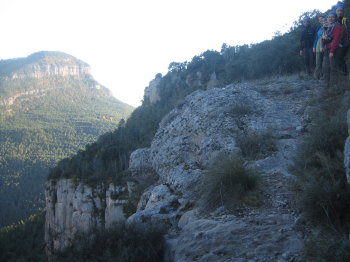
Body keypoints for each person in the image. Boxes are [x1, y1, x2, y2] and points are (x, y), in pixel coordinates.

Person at [322, 11, 344, 87]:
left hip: (334, 50)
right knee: (325, 68)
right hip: (327, 50)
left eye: (332, 17)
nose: (330, 18)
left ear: (335, 18)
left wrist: (332, 51)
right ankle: (326, 85)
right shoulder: (328, 28)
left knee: (333, 68)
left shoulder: (337, 27)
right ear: (327, 19)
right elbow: (324, 41)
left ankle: (333, 87)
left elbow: (336, 40)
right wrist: (323, 39)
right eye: (329, 17)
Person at [313, 15, 326, 79]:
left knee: (324, 60)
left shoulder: (327, 25)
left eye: (322, 18)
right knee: (317, 60)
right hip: (318, 44)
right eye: (319, 19)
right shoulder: (319, 28)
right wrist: (314, 46)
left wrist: (322, 46)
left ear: (324, 18)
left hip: (324, 44)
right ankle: (317, 75)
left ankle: (323, 75)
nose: (320, 20)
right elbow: (316, 37)